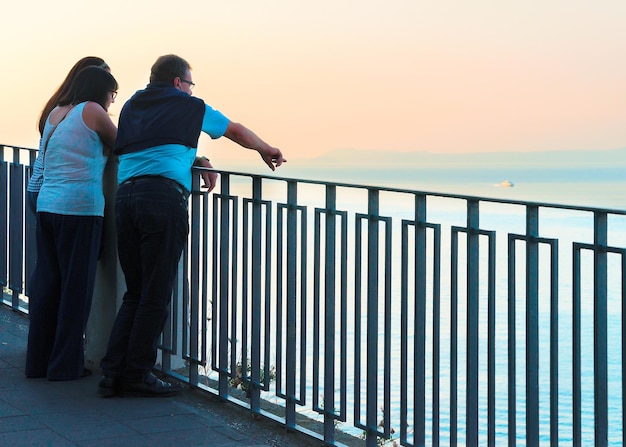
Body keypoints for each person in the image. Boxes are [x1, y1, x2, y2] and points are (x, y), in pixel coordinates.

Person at [98, 54, 286, 397]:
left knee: (135, 292)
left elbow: (147, 147)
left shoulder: (130, 107)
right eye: (189, 83)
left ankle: (112, 373)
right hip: (162, 200)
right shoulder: (191, 105)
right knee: (155, 293)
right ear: (177, 83)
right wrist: (266, 148)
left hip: (126, 199)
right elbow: (235, 131)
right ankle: (137, 374)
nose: (190, 89)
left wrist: (197, 158)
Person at [25, 67, 118, 381]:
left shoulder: (56, 113)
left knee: (50, 286)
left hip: (48, 206)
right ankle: (65, 366)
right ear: (100, 90)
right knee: (76, 290)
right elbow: (124, 143)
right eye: (112, 95)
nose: (112, 102)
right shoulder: (91, 111)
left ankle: (37, 362)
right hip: (80, 210)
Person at [27, 57, 110, 213]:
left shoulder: (57, 108)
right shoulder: (85, 112)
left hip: (41, 188)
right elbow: (118, 141)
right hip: (66, 194)